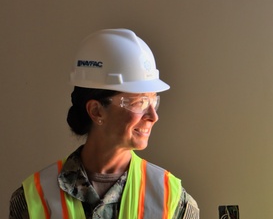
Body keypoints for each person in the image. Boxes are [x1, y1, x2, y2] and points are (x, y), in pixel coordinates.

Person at [9, 28, 199, 219]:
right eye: (139, 102)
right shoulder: (34, 199)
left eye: (153, 101)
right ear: (96, 111)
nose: (153, 116)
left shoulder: (172, 200)